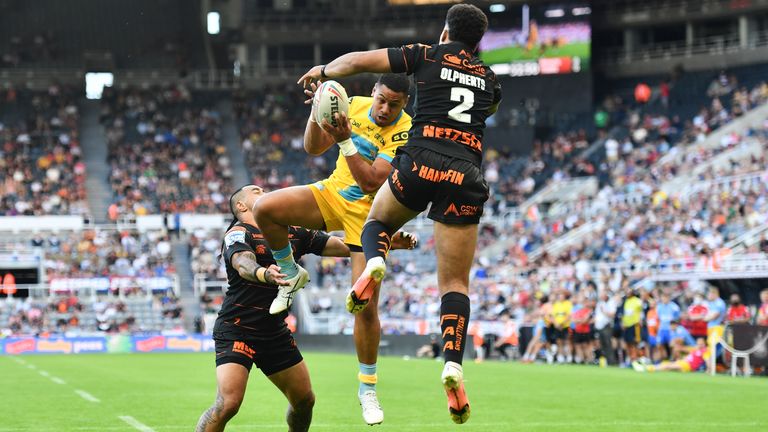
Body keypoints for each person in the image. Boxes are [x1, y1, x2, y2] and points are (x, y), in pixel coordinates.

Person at [296, 3, 500, 424]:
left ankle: (373, 263)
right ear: (478, 43)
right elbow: (484, 110)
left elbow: (355, 62)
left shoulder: (424, 54)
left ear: (446, 31)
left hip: (420, 161)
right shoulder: (492, 83)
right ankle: (453, 365)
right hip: (465, 175)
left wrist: (323, 72)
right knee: (455, 282)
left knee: (378, 222)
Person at [254, 74, 414, 425]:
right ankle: (291, 273)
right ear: (373, 92)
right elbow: (313, 148)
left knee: (366, 306)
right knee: (264, 209)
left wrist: (344, 141)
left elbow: (372, 181)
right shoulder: (352, 104)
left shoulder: (405, 130)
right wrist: (316, 111)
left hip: (370, 216)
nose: (385, 109)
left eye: (395, 104)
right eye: (382, 99)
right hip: (331, 195)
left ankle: (367, 388)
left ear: (404, 105)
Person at [196, 185, 413, 431]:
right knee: (229, 404)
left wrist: (383, 244)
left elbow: (342, 245)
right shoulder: (238, 232)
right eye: (256, 191)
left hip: (273, 332)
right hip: (237, 328)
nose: (264, 190)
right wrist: (264, 273)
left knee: (304, 401)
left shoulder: (292, 231)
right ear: (241, 206)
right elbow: (242, 262)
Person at [633, 337, 711, 373]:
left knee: (668, 366)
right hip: (684, 362)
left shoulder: (705, 351)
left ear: (704, 344)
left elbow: (708, 361)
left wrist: (709, 369)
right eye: (698, 343)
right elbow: (688, 355)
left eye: (701, 343)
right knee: (667, 364)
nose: (699, 344)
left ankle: (647, 368)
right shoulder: (695, 349)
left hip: (688, 366)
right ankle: (649, 367)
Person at [655, 291, 681, 360]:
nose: (664, 299)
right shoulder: (659, 307)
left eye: (666, 297)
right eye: (663, 297)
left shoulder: (674, 307)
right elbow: (658, 318)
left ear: (669, 298)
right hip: (662, 329)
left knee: (672, 344)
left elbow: (678, 318)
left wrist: (674, 327)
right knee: (658, 344)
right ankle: (662, 358)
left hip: (671, 329)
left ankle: (672, 359)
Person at [621, 289, 644, 365]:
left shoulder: (638, 301)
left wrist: (640, 320)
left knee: (634, 343)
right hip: (627, 325)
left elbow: (641, 312)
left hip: (635, 324)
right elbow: (625, 313)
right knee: (628, 343)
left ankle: (636, 359)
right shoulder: (626, 301)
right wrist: (623, 322)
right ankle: (630, 359)